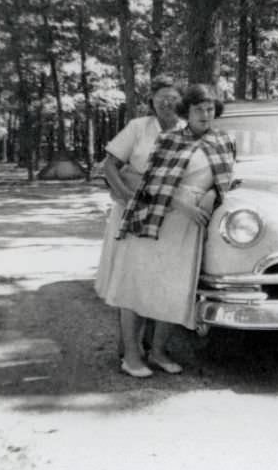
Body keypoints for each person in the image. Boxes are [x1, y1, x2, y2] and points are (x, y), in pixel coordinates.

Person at [103, 84, 236, 378]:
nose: (205, 114)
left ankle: (159, 351)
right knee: (139, 285)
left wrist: (213, 194)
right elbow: (148, 181)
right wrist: (182, 203)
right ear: (186, 112)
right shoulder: (169, 139)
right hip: (157, 216)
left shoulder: (223, 140)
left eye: (210, 108)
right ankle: (132, 356)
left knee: (175, 288)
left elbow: (226, 179)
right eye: (198, 109)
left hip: (191, 225)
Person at [94, 75, 185, 362]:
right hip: (134, 212)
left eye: (172, 98)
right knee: (133, 279)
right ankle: (129, 351)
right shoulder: (138, 128)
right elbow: (109, 165)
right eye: (160, 99)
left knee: (160, 279)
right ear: (152, 104)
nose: (166, 103)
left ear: (182, 102)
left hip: (169, 218)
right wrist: (126, 196)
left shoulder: (189, 131)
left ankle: (155, 349)